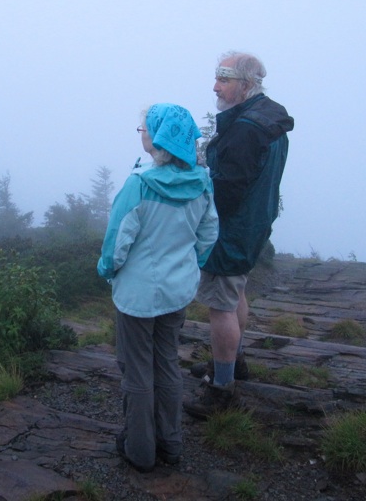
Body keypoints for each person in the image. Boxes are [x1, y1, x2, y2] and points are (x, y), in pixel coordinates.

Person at [98, 103, 219, 472]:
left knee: (136, 371)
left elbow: (118, 242)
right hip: (176, 292)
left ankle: (140, 451)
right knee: (166, 364)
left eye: (144, 128)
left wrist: (108, 270)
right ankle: (172, 444)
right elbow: (208, 233)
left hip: (137, 295)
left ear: (160, 137)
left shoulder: (140, 184)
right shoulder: (202, 181)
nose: (142, 133)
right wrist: (190, 265)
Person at [184, 51, 294, 419]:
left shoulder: (247, 129)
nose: (215, 86)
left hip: (230, 231)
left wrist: (198, 213)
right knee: (236, 293)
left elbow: (226, 192)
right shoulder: (269, 117)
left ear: (245, 85)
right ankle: (234, 361)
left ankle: (222, 389)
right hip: (254, 224)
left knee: (220, 306)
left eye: (224, 79)